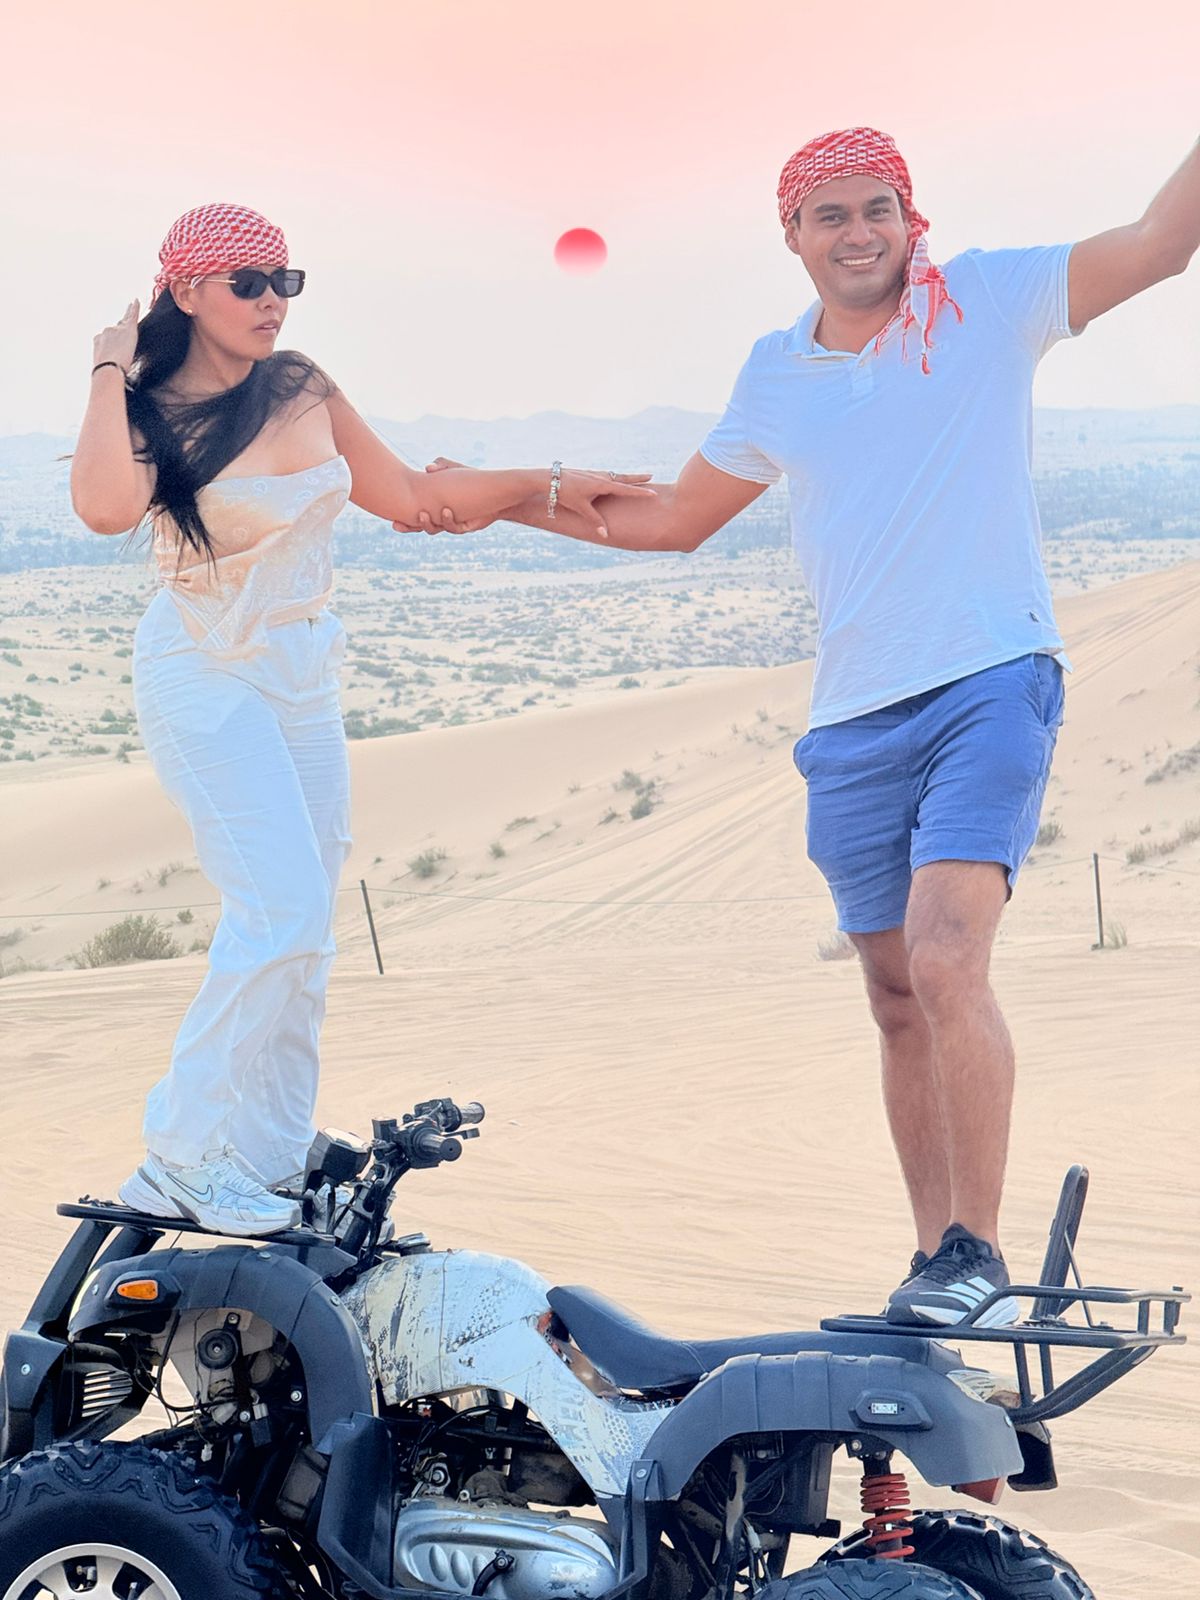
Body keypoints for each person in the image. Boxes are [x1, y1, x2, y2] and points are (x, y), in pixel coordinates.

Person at [402, 129, 1199, 1324]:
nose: (860, 230)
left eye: (878, 206)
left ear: (909, 212)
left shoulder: (986, 300)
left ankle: (978, 1248)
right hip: (852, 720)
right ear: (793, 235)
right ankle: (938, 1260)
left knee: (944, 953)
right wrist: (510, 497)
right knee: (891, 992)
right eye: (830, 214)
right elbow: (673, 519)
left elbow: (1158, 242)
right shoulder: (776, 373)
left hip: (992, 678)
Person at [72, 201, 653, 1237]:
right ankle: (181, 1157)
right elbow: (108, 508)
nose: (272, 302)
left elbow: (412, 498)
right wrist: (109, 369)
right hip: (205, 670)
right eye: (248, 282)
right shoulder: (150, 407)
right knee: (280, 904)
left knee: (312, 919)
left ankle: (266, 1144)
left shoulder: (302, 385)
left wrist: (551, 481)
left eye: (286, 281)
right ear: (187, 290)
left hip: (302, 671)